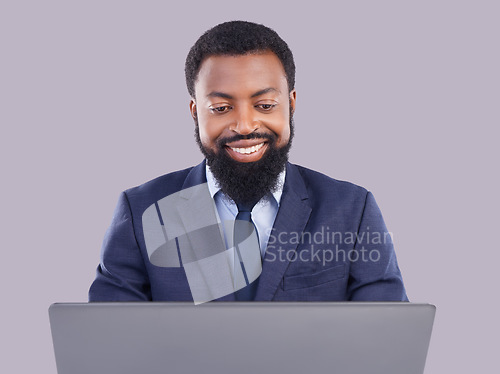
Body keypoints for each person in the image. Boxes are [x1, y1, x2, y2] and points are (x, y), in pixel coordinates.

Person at [89, 20, 408, 303]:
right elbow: (106, 345)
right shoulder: (142, 211)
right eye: (221, 108)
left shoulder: (352, 210)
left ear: (291, 104)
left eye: (265, 105)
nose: (244, 125)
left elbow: (389, 341)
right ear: (195, 112)